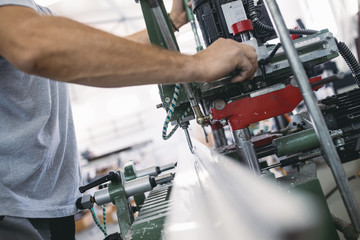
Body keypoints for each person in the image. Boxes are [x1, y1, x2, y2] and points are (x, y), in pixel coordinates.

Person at [0, 0, 257, 239]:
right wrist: (198, 65)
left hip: (45, 208)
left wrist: (173, 22)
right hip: (12, 212)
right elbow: (33, 44)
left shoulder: (28, 9)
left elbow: (102, 52)